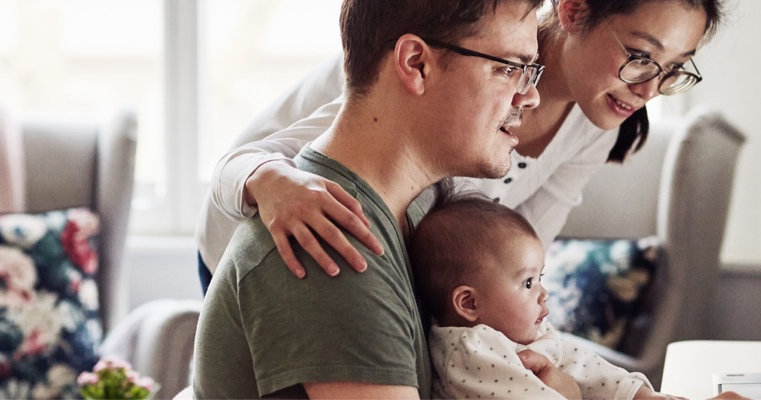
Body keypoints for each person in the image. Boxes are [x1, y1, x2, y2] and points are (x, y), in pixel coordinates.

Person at [196, 0, 725, 292]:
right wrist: (271, 182)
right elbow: (237, 163)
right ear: (572, 9)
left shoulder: (595, 118)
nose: (650, 88)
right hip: (247, 230)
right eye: (640, 54)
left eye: (674, 69)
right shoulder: (451, 63)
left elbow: (518, 255)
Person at [191, 0, 546, 397]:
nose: (529, 98)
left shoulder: (416, 209)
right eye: (509, 69)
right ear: (415, 64)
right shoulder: (331, 239)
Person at [411, 188, 678, 399]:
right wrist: (571, 393)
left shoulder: (516, 332)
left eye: (540, 278)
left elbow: (580, 363)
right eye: (528, 283)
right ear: (469, 303)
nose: (544, 294)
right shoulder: (470, 351)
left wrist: (640, 395)